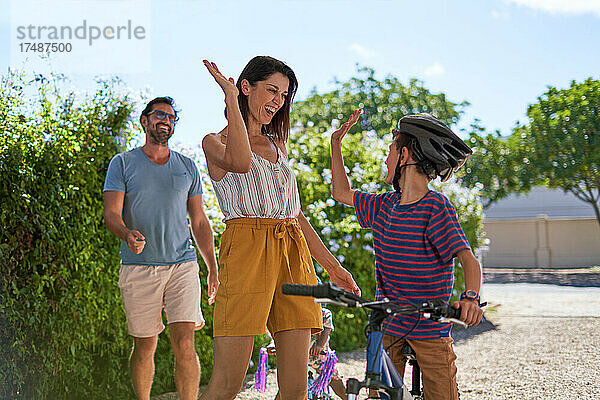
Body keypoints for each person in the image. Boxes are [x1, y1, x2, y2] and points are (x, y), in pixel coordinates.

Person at [200, 56, 361, 400]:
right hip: (246, 249)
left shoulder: (278, 145)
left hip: (292, 251)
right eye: (271, 90)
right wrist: (231, 101)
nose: (278, 100)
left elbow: (296, 215)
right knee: (227, 383)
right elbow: (240, 162)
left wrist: (334, 268)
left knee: (295, 387)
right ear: (246, 87)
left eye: (284, 94)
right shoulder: (213, 142)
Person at [330, 110, 484, 400]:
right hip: (388, 324)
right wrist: (335, 144)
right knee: (380, 394)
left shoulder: (435, 208)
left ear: (404, 155)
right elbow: (341, 192)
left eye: (389, 151)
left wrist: (471, 298)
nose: (385, 159)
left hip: (429, 328)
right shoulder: (383, 205)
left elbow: (468, 260)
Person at [103, 95, 221, 400]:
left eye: (171, 117)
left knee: (185, 343)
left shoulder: (187, 167)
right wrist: (127, 233)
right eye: (159, 115)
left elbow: (199, 221)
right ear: (145, 121)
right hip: (139, 268)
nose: (165, 121)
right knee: (145, 346)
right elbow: (111, 215)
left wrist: (212, 267)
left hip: (182, 265)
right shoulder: (123, 163)